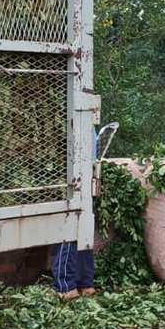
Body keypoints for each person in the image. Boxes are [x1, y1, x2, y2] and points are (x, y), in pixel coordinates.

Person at [51, 128, 99, 299]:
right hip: (85, 178)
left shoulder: (71, 125)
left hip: (71, 180)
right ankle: (85, 284)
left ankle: (65, 287)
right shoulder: (89, 127)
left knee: (66, 227)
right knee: (83, 229)